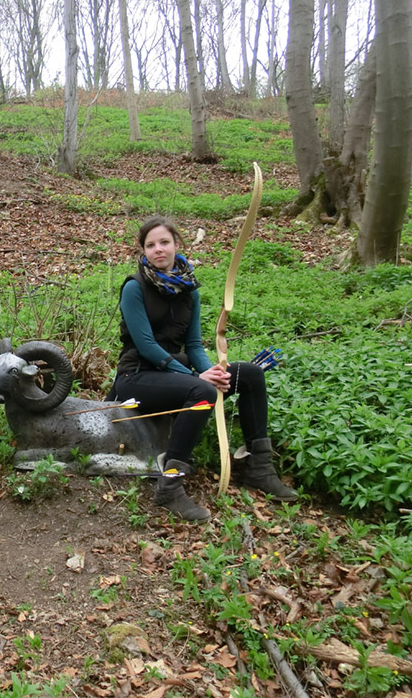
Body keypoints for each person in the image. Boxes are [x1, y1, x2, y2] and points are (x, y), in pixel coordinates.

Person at [110, 216, 297, 521]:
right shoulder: (135, 287)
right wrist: (196, 377)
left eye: (164, 242)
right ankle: (169, 486)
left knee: (250, 374)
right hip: (137, 376)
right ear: (143, 251)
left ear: (176, 244)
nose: (158, 249)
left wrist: (214, 372)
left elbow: (194, 345)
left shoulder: (189, 290)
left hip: (173, 375)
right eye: (151, 245)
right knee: (202, 391)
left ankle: (259, 468)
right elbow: (146, 346)